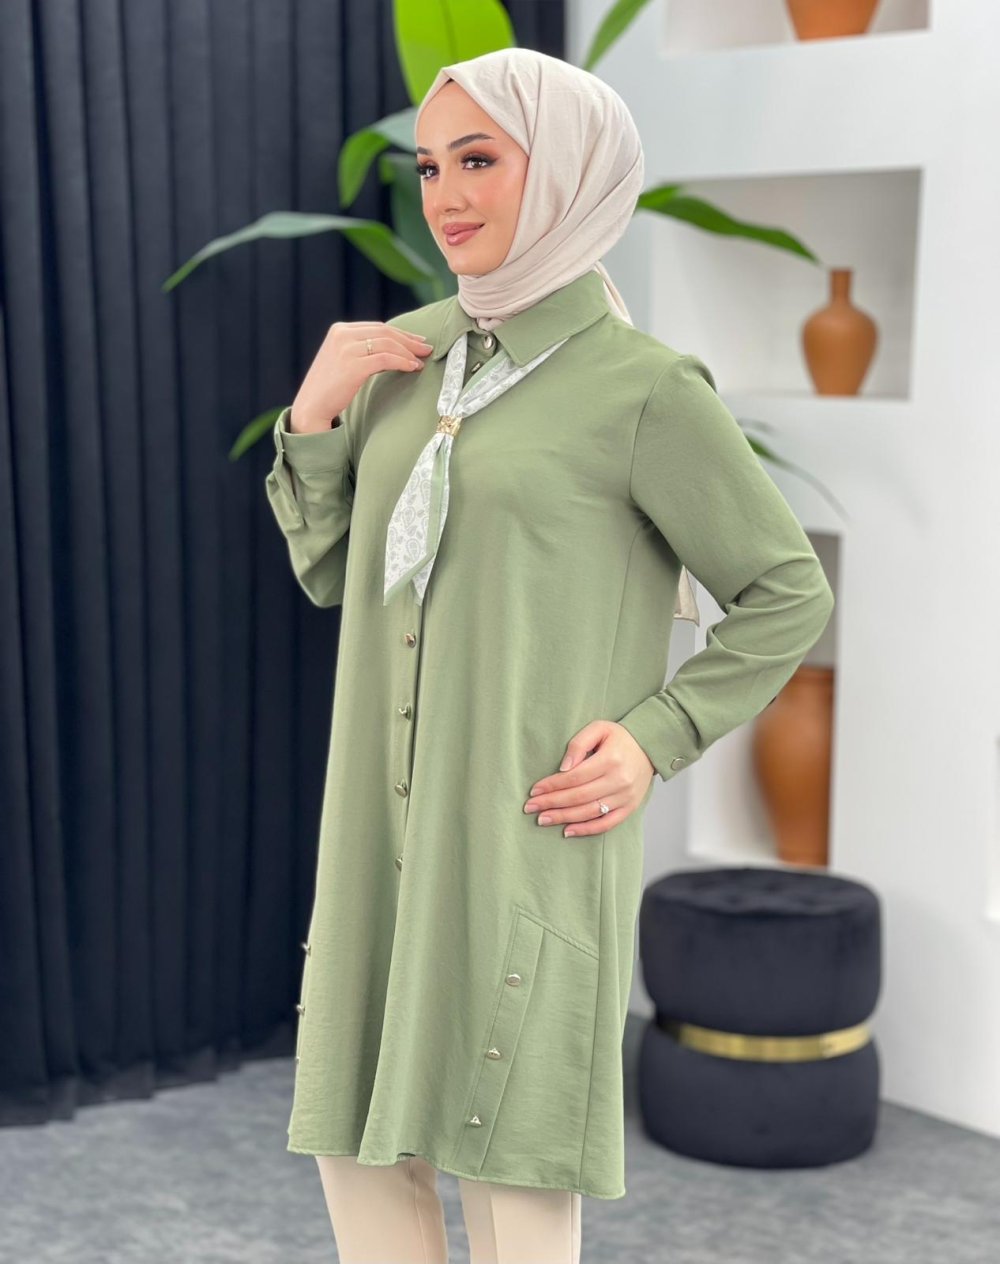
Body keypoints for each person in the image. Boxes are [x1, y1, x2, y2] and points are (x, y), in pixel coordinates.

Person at [265, 47, 834, 1264]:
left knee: (511, 1163)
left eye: (479, 159)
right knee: (355, 1151)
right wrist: (312, 419)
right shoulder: (402, 359)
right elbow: (337, 574)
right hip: (376, 824)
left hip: (528, 823)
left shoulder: (643, 390)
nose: (446, 195)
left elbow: (785, 590)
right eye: (430, 167)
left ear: (572, 170)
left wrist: (653, 737)